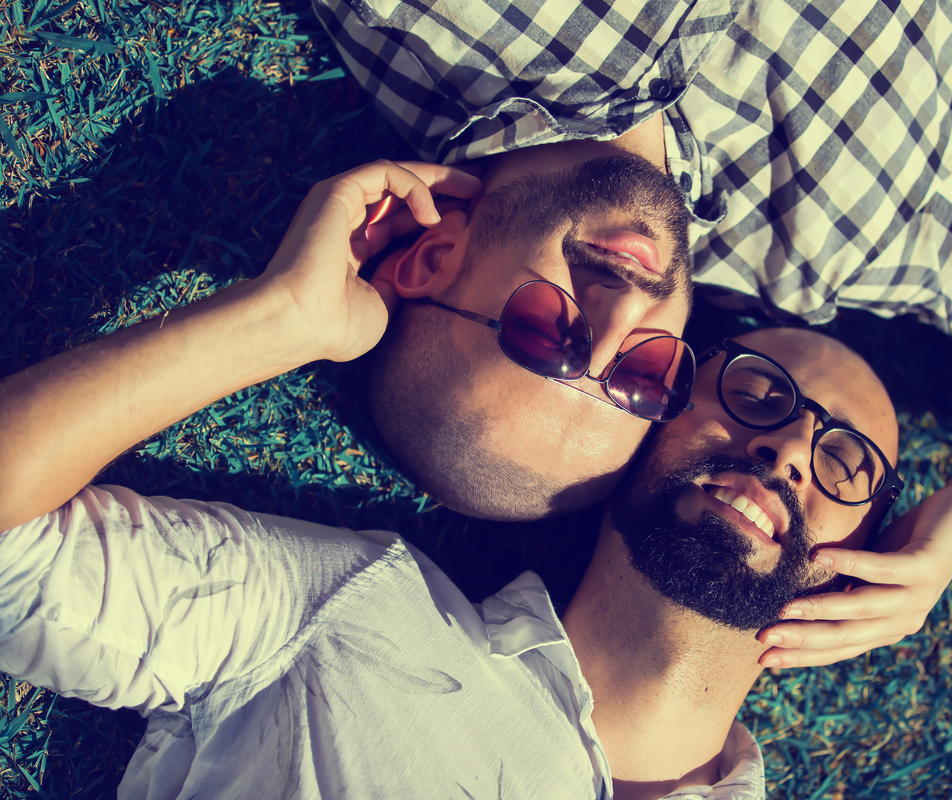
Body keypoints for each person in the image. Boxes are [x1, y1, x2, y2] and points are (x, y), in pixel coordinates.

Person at [316, 0, 952, 666]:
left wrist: (280, 322)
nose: (623, 313)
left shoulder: (436, 24)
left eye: (547, 334)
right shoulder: (838, 241)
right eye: (639, 377)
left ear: (434, 258)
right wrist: (951, 527)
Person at [0, 169, 901, 796]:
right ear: (648, 433)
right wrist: (284, 319)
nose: (789, 449)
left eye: (847, 464)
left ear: (855, 567)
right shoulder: (350, 612)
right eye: (754, 394)